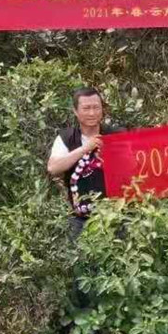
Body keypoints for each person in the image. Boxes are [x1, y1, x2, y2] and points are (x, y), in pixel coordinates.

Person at [47, 87, 122, 239]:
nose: (92, 113)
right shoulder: (66, 137)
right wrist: (85, 148)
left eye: (96, 107)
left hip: (117, 218)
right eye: (86, 108)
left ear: (102, 109)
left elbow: (135, 166)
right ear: (75, 111)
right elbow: (53, 168)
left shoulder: (117, 134)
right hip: (80, 219)